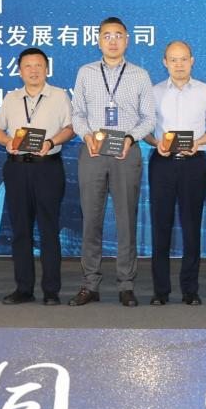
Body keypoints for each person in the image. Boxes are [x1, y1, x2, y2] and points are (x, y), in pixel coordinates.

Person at [68, 17, 156, 307]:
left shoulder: (140, 75)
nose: (113, 41)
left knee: (126, 220)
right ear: (98, 40)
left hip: (126, 152)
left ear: (127, 40)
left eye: (118, 35)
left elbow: (149, 118)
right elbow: (77, 113)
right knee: (91, 219)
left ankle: (126, 284)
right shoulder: (86, 72)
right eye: (107, 35)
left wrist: (130, 138)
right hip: (93, 152)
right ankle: (90, 284)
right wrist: (86, 135)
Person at [0, 47, 75, 306]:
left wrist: (50, 142)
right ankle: (23, 288)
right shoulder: (11, 98)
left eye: (38, 65)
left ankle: (51, 290)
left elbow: (71, 128)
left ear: (47, 69)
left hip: (47, 167)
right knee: (20, 229)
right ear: (20, 71)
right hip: (17, 168)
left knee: (49, 229)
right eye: (28, 66)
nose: (34, 70)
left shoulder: (59, 96)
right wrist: (6, 142)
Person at [142, 40, 206, 306]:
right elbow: (145, 130)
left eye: (184, 59)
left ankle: (190, 290)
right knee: (160, 226)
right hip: (162, 164)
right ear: (165, 62)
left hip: (194, 164)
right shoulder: (152, 92)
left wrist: (199, 142)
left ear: (192, 61)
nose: (179, 64)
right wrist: (156, 143)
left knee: (191, 226)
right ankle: (160, 291)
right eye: (173, 60)